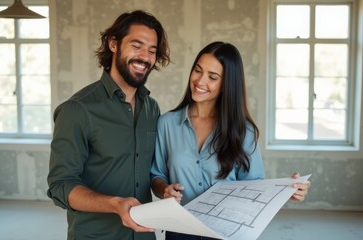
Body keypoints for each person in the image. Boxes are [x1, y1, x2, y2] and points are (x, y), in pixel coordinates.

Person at [150, 41, 311, 240]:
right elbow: (156, 174)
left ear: (227, 84)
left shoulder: (244, 131)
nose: (200, 81)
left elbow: (253, 188)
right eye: (197, 70)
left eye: (212, 77)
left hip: (226, 233)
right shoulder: (167, 124)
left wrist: (287, 190)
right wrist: (163, 189)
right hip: (180, 231)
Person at [47, 10, 170, 240]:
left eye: (152, 51)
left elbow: (150, 172)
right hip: (96, 235)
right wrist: (114, 204)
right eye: (137, 45)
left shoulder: (152, 109)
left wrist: (164, 189)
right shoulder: (78, 109)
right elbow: (60, 186)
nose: (145, 57)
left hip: (145, 235)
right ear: (114, 44)